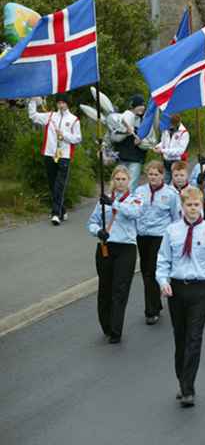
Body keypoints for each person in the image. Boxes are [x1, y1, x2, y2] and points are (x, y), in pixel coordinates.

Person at [155, 186, 205, 408]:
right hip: (177, 289)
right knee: (181, 338)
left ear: (202, 206)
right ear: (182, 207)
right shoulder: (172, 231)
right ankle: (182, 380)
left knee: (194, 338)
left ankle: (188, 388)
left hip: (199, 290)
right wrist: (163, 281)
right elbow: (163, 259)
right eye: (189, 205)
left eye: (196, 205)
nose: (193, 209)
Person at [87, 165, 142, 344]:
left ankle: (116, 330)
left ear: (129, 181)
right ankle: (106, 325)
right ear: (113, 181)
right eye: (117, 179)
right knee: (105, 288)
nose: (120, 182)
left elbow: (134, 213)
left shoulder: (134, 199)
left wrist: (114, 204)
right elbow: (92, 222)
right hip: (106, 247)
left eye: (123, 179)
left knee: (120, 289)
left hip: (126, 248)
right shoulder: (103, 201)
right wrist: (98, 231)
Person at [134, 161, 181, 325]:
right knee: (146, 270)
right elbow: (135, 211)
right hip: (143, 235)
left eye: (156, 174)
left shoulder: (171, 194)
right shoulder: (139, 191)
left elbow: (176, 218)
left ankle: (151, 311)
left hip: (160, 236)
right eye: (150, 174)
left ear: (162, 175)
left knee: (153, 270)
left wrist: (174, 238)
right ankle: (156, 302)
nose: (153, 177)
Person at [28, 94, 82, 226]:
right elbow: (33, 116)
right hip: (49, 154)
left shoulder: (74, 120)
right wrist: (33, 101)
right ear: (56, 104)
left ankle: (55, 214)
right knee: (53, 185)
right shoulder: (50, 116)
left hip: (64, 156)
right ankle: (62, 210)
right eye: (59, 103)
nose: (61, 105)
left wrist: (64, 136)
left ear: (67, 104)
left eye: (63, 103)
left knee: (60, 184)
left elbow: (78, 138)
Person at [111, 95, 147, 192]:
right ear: (133, 106)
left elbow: (150, 141)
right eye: (140, 105)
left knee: (131, 185)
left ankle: (129, 205)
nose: (142, 108)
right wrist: (126, 132)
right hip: (122, 157)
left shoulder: (144, 122)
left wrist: (141, 141)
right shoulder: (123, 118)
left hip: (136, 159)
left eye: (143, 105)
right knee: (119, 184)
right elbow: (114, 137)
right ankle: (117, 205)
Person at [154, 114, 190, 184]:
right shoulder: (165, 130)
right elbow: (163, 142)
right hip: (166, 161)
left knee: (177, 183)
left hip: (177, 162)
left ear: (177, 123)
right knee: (164, 183)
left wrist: (162, 150)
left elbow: (180, 151)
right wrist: (158, 146)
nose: (170, 127)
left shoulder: (184, 133)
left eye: (172, 125)